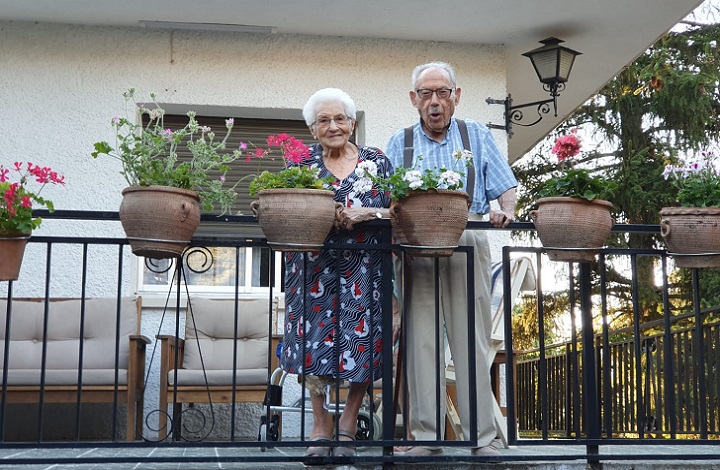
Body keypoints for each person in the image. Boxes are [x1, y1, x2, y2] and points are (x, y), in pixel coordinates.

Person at [385, 61, 518, 457]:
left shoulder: (475, 134)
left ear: (456, 96)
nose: (435, 102)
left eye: (443, 92)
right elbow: (390, 199)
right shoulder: (400, 142)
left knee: (470, 339)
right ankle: (426, 438)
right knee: (420, 341)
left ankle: (482, 438)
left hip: (467, 238)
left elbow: (505, 187)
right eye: (426, 94)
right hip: (415, 248)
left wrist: (504, 211)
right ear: (414, 100)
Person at [279, 87, 395, 458]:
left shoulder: (377, 162)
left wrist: (368, 214)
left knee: (363, 343)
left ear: (353, 123)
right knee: (313, 344)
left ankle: (348, 420)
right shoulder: (300, 167)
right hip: (312, 270)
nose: (333, 126)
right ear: (313, 130)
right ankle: (320, 423)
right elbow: (284, 211)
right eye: (324, 121)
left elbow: (401, 212)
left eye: (340, 119)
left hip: (364, 269)